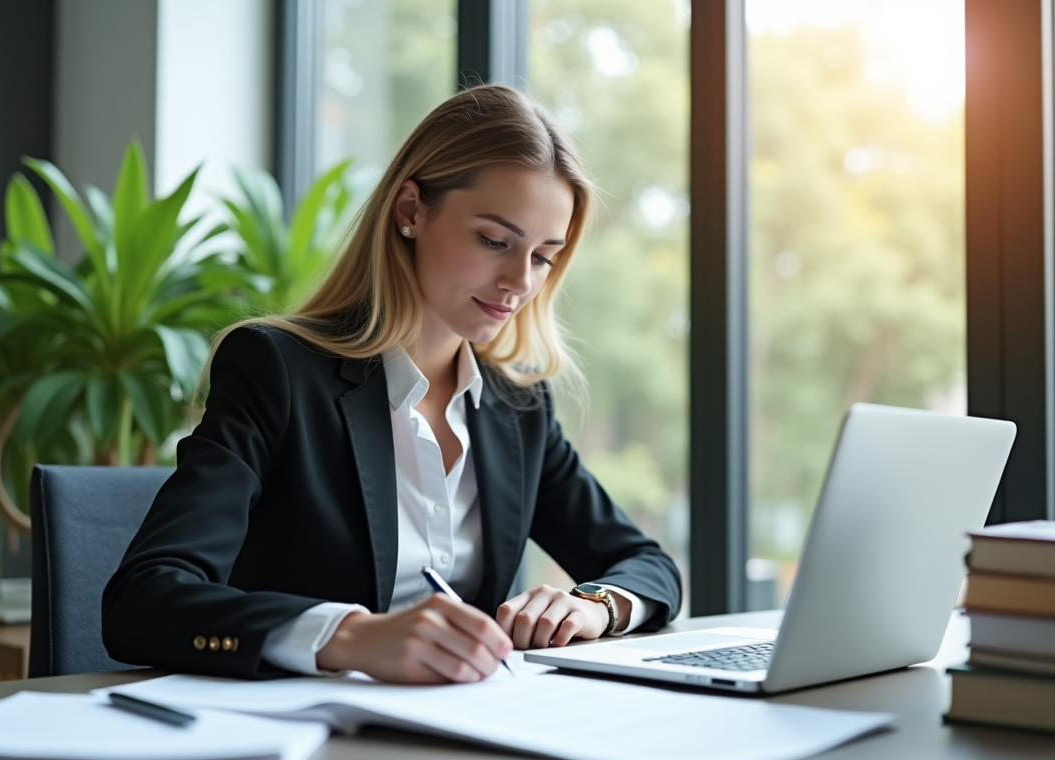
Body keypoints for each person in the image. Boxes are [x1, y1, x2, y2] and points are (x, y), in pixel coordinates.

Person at [102, 85, 682, 684]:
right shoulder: (275, 370)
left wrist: (594, 604)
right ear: (410, 210)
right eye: (493, 241)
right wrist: (346, 636)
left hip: (472, 735)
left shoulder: (518, 405)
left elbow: (647, 565)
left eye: (543, 256)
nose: (518, 281)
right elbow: (141, 601)